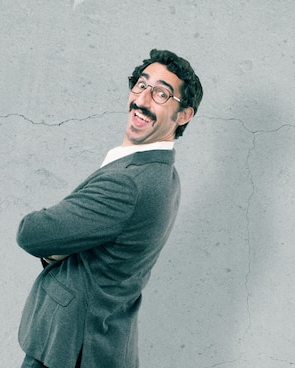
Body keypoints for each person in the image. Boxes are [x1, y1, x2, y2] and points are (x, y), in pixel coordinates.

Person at [15, 49, 203, 368]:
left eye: (161, 93)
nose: (142, 100)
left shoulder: (128, 183)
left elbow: (32, 233)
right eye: (140, 85)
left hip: (70, 349)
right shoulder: (164, 174)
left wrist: (60, 248)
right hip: (100, 343)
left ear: (183, 115)